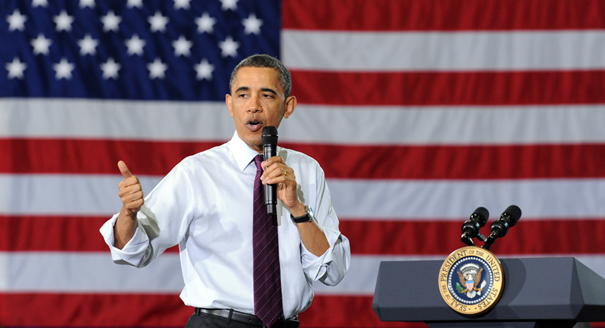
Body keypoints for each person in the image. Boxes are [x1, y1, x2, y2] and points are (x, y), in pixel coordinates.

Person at [99, 54, 351, 328]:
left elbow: (333, 271)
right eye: (243, 95)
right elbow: (132, 251)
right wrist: (128, 214)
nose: (253, 107)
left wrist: (298, 210)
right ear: (230, 105)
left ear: (288, 106)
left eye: (266, 95)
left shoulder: (307, 171)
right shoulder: (196, 172)